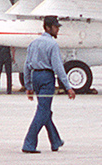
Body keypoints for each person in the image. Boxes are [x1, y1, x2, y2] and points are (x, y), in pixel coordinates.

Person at [22, 16, 75, 153]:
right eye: (55, 27)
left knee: (44, 110)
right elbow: (58, 67)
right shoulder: (52, 45)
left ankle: (55, 140)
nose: (57, 29)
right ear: (47, 28)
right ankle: (29, 143)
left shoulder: (33, 43)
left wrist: (28, 86)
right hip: (46, 78)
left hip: (36, 77)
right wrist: (68, 87)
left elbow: (26, 66)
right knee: (43, 111)